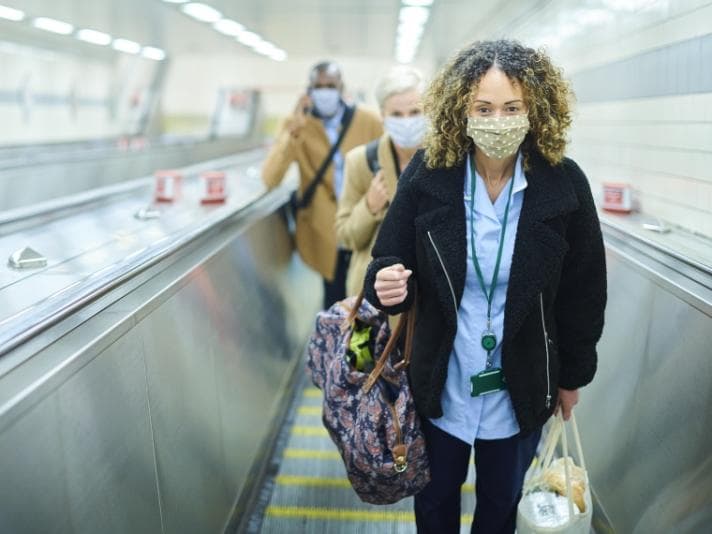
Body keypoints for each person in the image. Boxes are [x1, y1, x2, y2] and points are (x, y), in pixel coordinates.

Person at [363, 40, 607, 533]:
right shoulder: (431, 172)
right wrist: (388, 284)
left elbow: (584, 290)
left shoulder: (563, 183)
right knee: (434, 506)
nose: (499, 120)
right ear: (462, 110)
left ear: (535, 109)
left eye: (512, 108)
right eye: (484, 108)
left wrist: (572, 376)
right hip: (442, 379)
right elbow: (387, 259)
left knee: (500, 508)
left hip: (521, 383)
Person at [262, 61, 382, 309]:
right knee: (335, 305)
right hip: (325, 232)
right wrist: (294, 126)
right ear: (309, 90)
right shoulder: (299, 126)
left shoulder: (367, 121)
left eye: (330, 86)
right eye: (318, 86)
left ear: (341, 88)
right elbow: (271, 178)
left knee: (368, 304)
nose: (324, 91)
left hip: (365, 225)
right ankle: (336, 347)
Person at [336, 66, 426, 297]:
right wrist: (369, 207)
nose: (406, 121)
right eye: (396, 114)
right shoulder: (361, 162)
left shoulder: (447, 161)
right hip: (374, 298)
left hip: (427, 296)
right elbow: (346, 236)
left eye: (415, 112)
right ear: (383, 117)